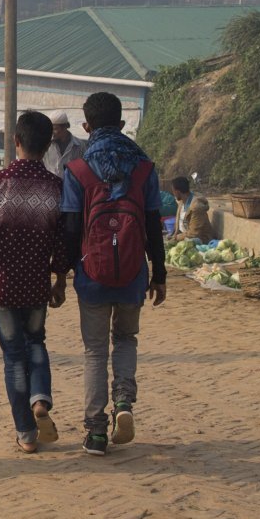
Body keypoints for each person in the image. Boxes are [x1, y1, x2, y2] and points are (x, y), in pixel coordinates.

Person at [62, 91, 166, 457]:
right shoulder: (144, 169)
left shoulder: (78, 171)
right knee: (125, 340)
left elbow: (72, 229)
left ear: (86, 127)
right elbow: (153, 224)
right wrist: (161, 273)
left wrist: (61, 272)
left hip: (92, 274)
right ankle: (124, 403)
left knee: (94, 351)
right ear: (122, 125)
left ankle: (95, 433)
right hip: (134, 273)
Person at [0, 111, 70, 455]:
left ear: (16, 141)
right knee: (36, 343)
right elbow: (63, 242)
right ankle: (40, 399)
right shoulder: (56, 189)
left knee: (13, 357)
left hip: (1, 285)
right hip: (36, 285)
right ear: (48, 145)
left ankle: (26, 434)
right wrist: (60, 278)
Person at [171, 175, 214, 243]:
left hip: (199, 240)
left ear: (178, 192)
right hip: (184, 237)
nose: (173, 194)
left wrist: (176, 238)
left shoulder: (196, 207)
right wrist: (174, 234)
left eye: (173, 191)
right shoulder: (182, 202)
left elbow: (193, 234)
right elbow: (178, 222)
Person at [43, 110, 87, 177]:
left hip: (72, 186)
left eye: (55, 129)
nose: (52, 132)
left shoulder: (80, 145)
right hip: (51, 185)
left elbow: (84, 169)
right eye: (50, 129)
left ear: (65, 127)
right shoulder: (46, 145)